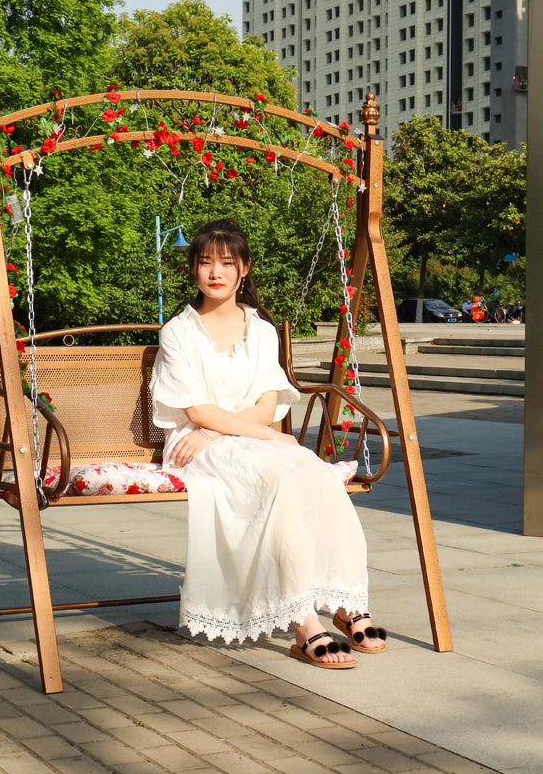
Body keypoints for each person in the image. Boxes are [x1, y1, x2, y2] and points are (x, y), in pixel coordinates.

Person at [149, 218, 386, 670]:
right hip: (197, 446)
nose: (215, 272)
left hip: (238, 436)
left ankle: (346, 599)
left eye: (226, 262)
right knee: (279, 477)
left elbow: (268, 404)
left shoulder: (259, 329)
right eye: (205, 263)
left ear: (244, 269)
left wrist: (232, 430)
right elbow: (196, 412)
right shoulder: (179, 332)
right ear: (193, 270)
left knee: (317, 474)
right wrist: (227, 433)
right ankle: (302, 622)